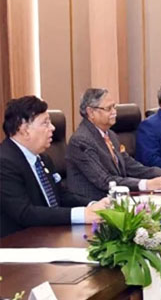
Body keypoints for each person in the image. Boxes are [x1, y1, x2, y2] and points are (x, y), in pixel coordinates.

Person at [1, 96, 107, 237]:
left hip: (47, 235)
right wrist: (82, 215)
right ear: (24, 129)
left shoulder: (43, 158)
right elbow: (25, 213)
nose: (52, 128)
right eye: (45, 123)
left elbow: (61, 196)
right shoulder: (4, 162)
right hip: (16, 244)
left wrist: (94, 206)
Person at [66, 88, 161, 200]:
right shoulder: (81, 141)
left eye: (114, 107)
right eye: (108, 108)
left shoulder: (111, 135)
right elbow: (104, 181)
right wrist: (146, 184)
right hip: (93, 205)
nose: (114, 112)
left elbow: (131, 166)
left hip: (118, 199)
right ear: (91, 112)